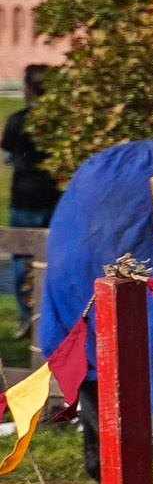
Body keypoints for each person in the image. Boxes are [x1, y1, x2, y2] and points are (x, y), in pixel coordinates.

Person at [4, 63, 60, 329]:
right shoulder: (61, 122)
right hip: (55, 197)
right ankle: (50, 316)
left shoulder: (18, 121)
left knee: (22, 258)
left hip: (25, 197)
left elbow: (6, 156)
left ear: (27, 88)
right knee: (54, 256)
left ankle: (28, 315)